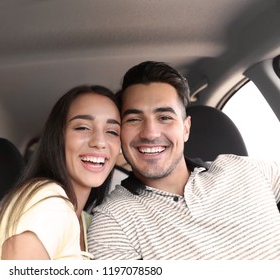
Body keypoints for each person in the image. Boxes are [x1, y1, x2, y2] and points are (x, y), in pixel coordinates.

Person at [87, 61, 280, 259]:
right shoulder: (113, 222)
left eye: (164, 117)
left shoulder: (243, 168)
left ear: (186, 128)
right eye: (134, 119)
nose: (150, 133)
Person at [0, 85, 121, 260]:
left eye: (112, 132)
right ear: (58, 137)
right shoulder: (49, 203)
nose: (100, 142)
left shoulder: (83, 219)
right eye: (82, 127)